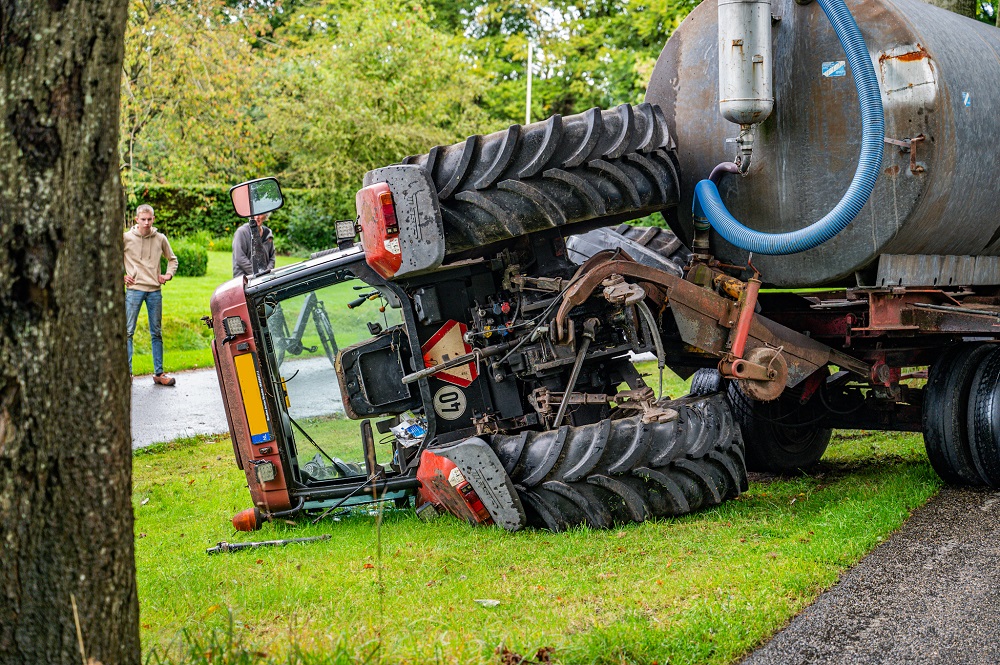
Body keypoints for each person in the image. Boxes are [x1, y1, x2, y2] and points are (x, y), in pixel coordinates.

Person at [124, 204, 179, 386]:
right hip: (134, 290)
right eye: (143, 219)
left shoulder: (160, 238)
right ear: (137, 220)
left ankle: (159, 373)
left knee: (156, 333)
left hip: (154, 290)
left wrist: (168, 275)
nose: (146, 223)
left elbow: (172, 259)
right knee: (128, 331)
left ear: (153, 219)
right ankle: (127, 373)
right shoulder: (126, 238)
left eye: (149, 219)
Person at [232, 212, 276, 278]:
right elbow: (240, 258)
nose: (257, 217)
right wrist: (258, 273)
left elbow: (272, 258)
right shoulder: (242, 232)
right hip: (244, 280)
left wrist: (266, 273)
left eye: (260, 214)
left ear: (265, 215)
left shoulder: (268, 233)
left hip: (264, 279)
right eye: (254, 214)